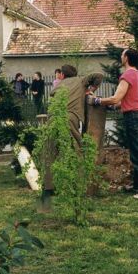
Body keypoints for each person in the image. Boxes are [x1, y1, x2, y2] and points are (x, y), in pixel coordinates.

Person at [89, 48, 138, 199]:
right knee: (136, 152)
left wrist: (96, 100)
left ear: (126, 58)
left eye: (122, 54)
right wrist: (109, 105)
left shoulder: (128, 74)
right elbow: (127, 99)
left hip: (133, 117)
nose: (121, 56)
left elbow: (116, 98)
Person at [43, 64, 104, 196]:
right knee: (76, 150)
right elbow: (99, 75)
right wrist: (90, 89)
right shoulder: (80, 81)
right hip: (70, 118)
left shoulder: (58, 86)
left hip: (53, 119)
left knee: (51, 151)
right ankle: (79, 186)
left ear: (62, 75)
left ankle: (49, 189)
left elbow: (52, 97)